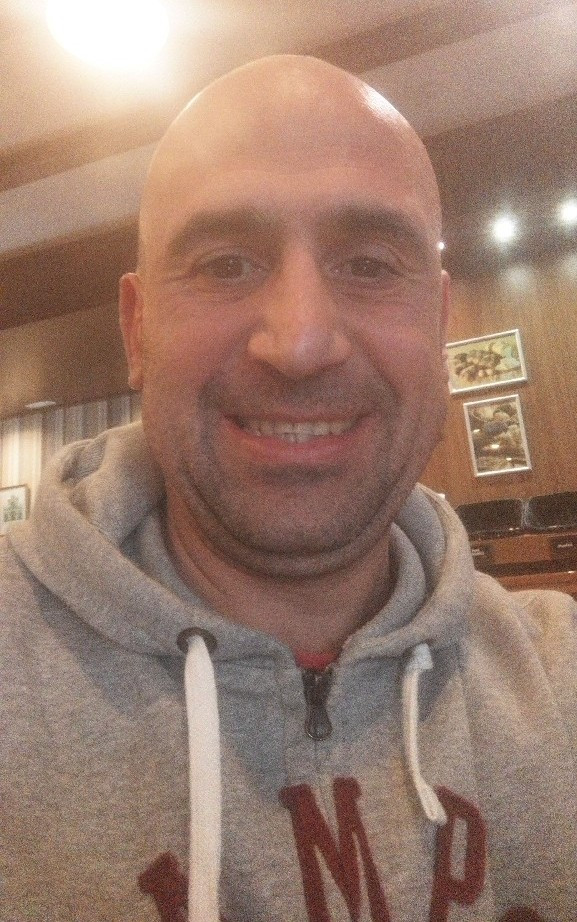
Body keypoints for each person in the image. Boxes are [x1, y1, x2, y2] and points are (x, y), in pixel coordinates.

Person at [1, 55, 576, 922]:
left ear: (437, 322)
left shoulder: (557, 680)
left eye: (370, 264)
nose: (300, 343)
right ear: (137, 327)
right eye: (225, 263)